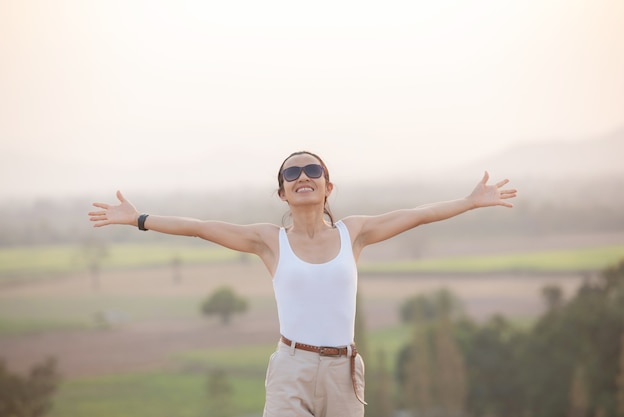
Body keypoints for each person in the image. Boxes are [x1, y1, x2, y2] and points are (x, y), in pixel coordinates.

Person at [88, 150, 517, 417]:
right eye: (291, 174)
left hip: (343, 372)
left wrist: (470, 202)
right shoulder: (268, 241)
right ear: (282, 194)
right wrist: (139, 219)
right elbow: (200, 227)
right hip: (291, 369)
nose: (302, 176)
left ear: (328, 187)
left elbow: (418, 213)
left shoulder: (356, 232)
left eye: (312, 169)